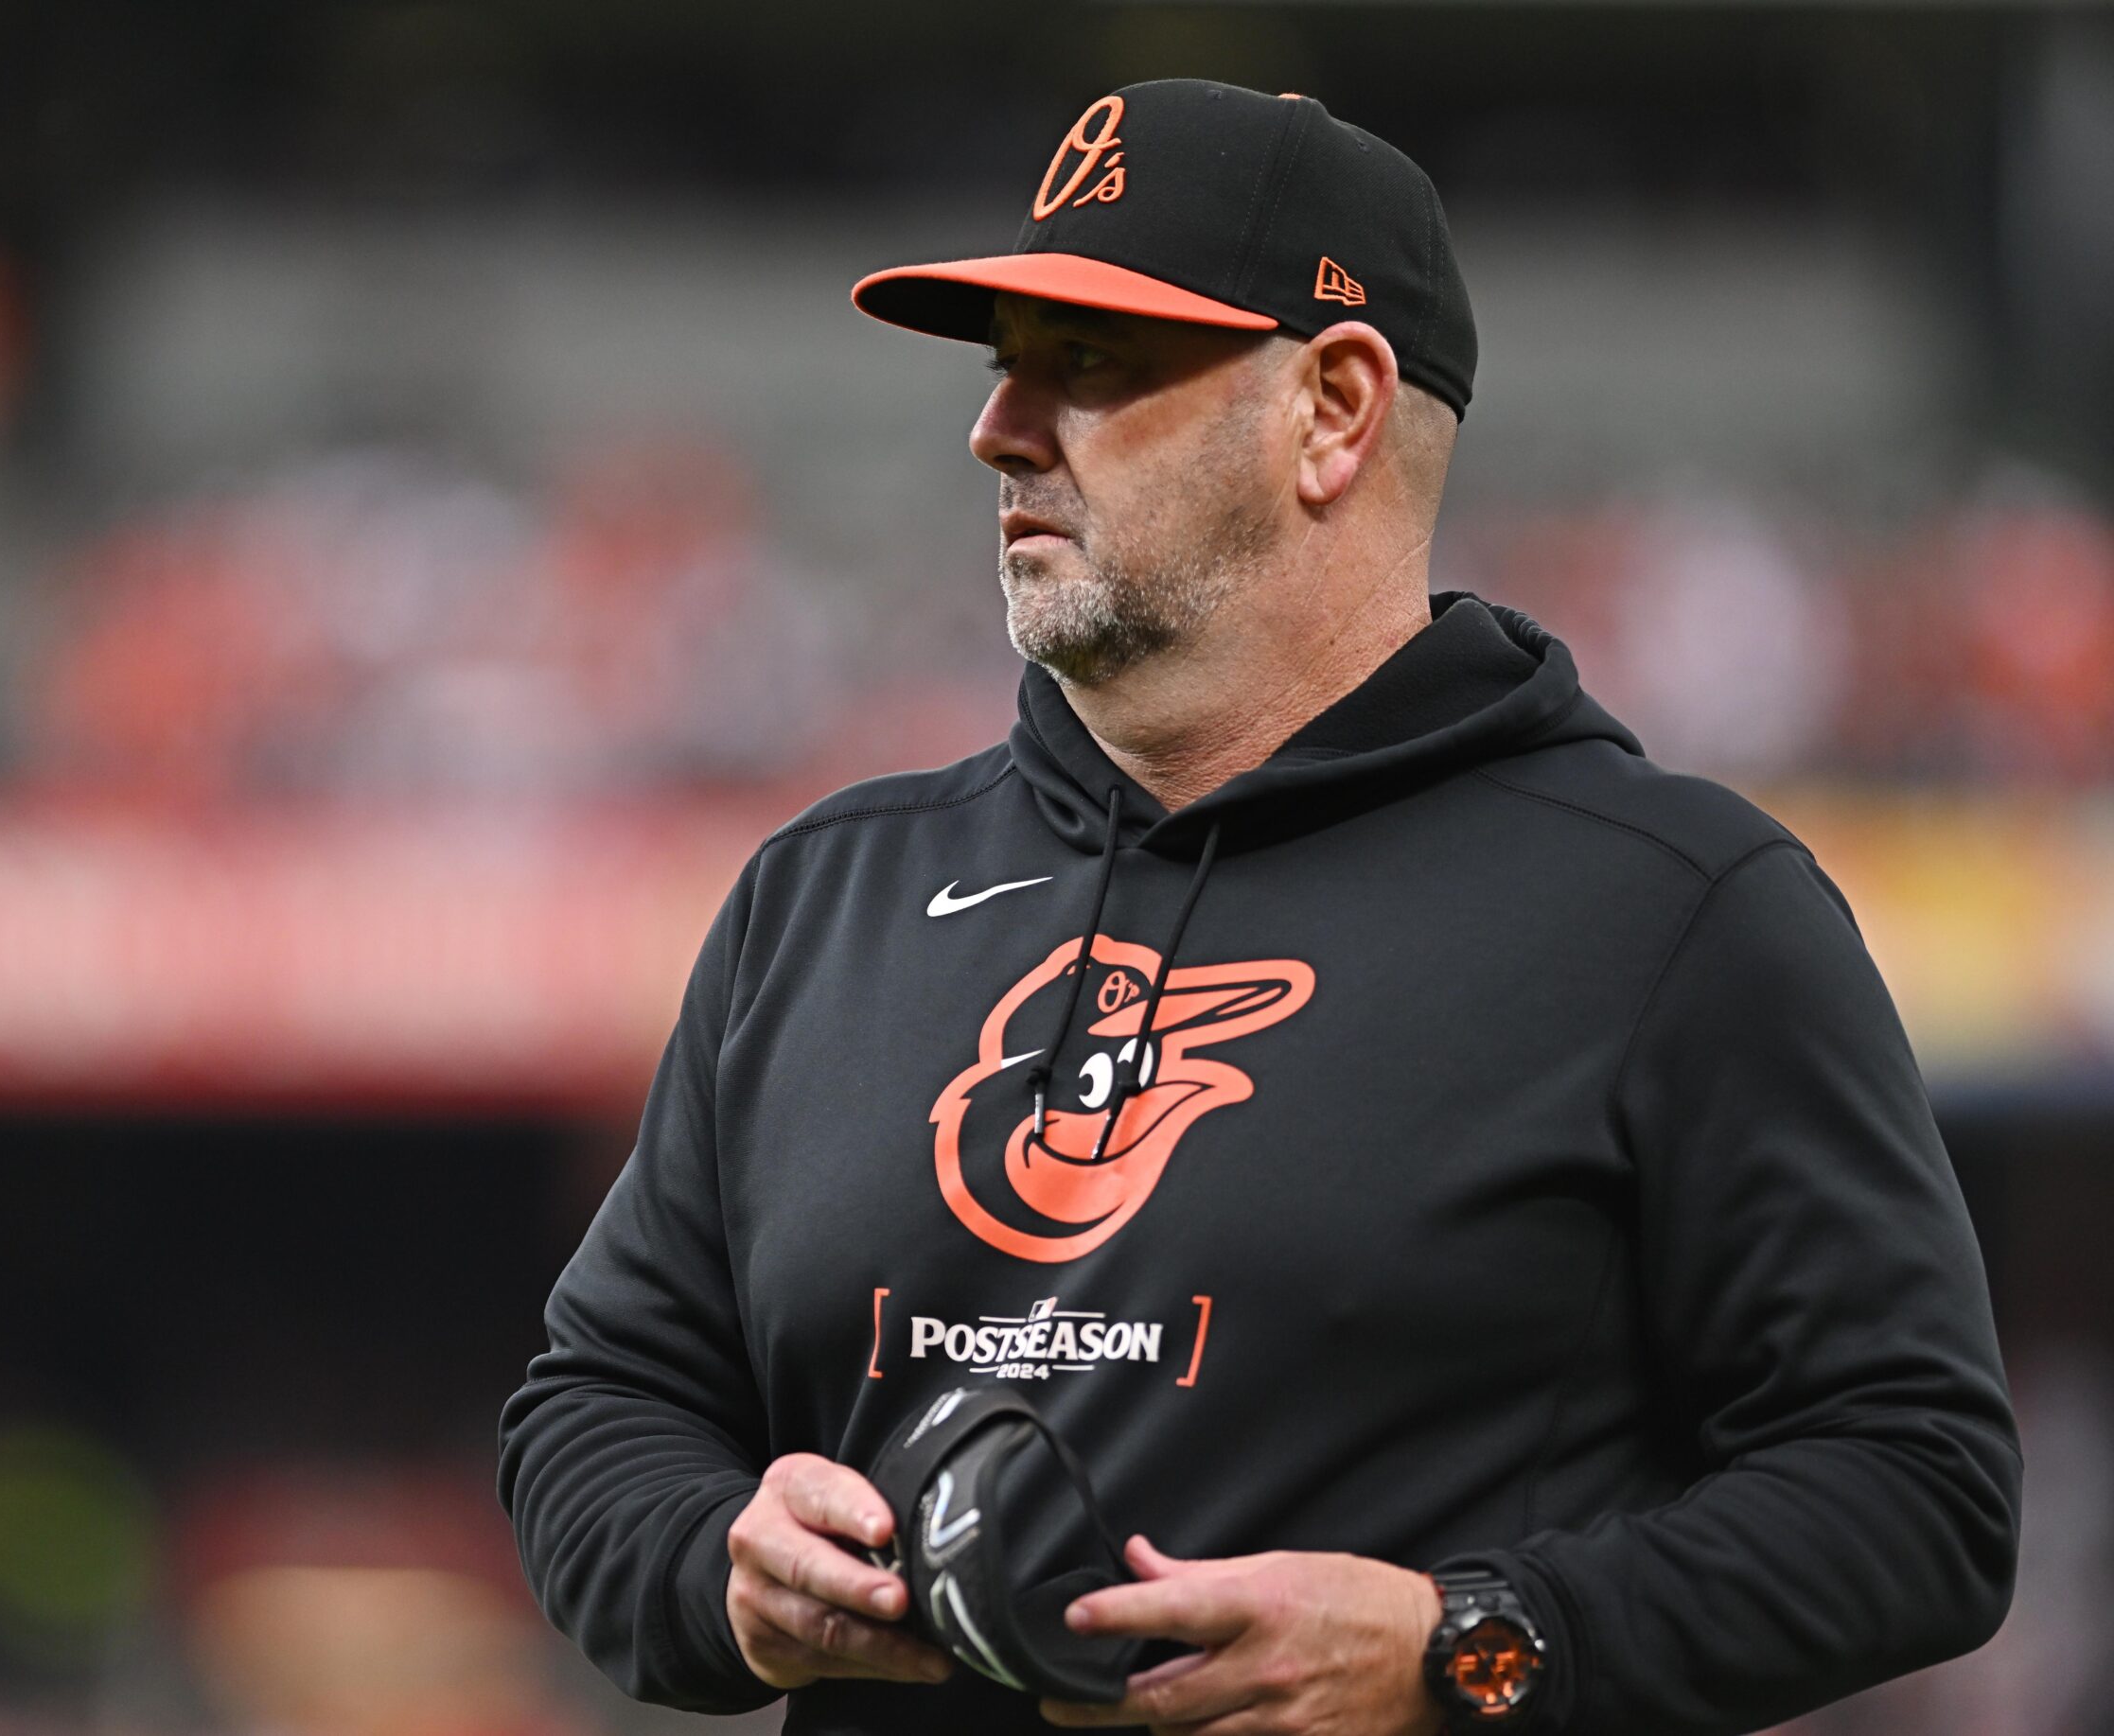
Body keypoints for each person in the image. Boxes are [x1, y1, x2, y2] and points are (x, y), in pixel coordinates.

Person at [499, 79, 2019, 1736]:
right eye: (1004, 363)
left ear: (1334, 410)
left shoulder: (1676, 912)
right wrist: (719, 1561)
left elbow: (1918, 1489)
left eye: (1089, 365)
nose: (998, 429)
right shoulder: (828, 893)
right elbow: (600, 1404)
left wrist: (1464, 1648)